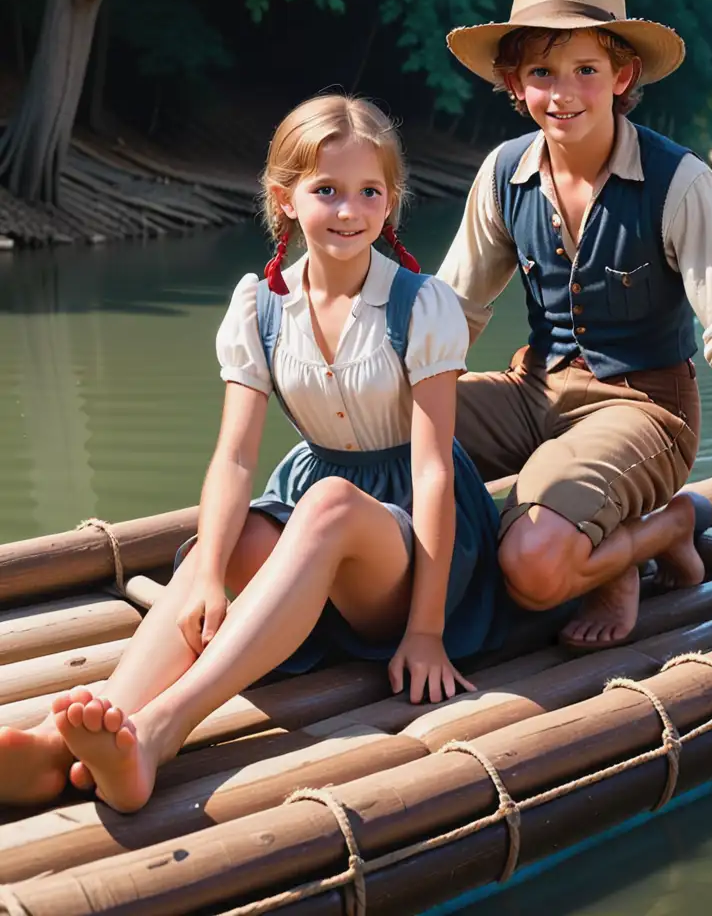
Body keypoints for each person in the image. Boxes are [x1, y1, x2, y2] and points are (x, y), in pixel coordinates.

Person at [0, 94, 505, 812]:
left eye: (369, 192)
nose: (348, 210)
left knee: (327, 504)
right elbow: (235, 459)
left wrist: (425, 630)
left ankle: (156, 734)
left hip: (419, 550)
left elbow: (430, 472)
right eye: (326, 190)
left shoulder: (422, 306)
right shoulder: (259, 306)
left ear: (390, 204)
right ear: (285, 200)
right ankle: (63, 746)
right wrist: (209, 570)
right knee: (228, 536)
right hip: (317, 515)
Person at [437, 0, 712, 650]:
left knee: (533, 566)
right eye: (543, 74)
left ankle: (661, 531)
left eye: (586, 69)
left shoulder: (681, 184)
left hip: (645, 411)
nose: (564, 93)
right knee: (386, 423)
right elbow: (445, 322)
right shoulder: (503, 175)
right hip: (534, 393)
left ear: (623, 77)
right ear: (516, 85)